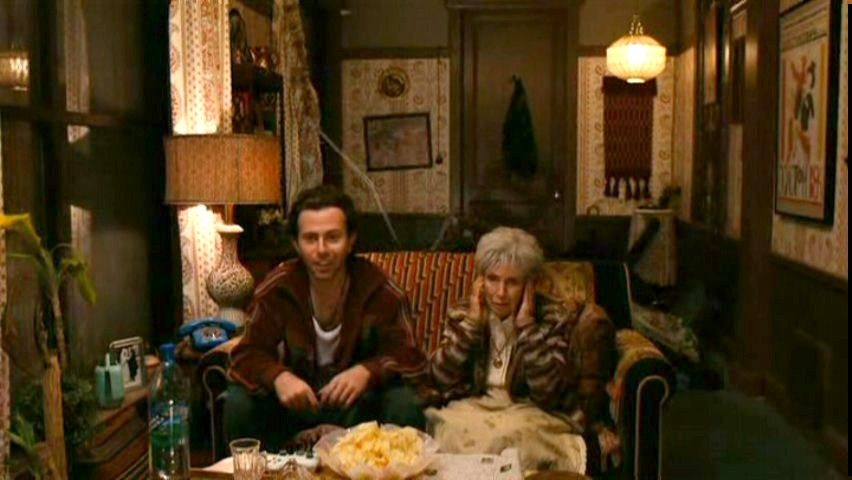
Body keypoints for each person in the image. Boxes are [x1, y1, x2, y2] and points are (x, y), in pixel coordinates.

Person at [224, 185, 427, 451]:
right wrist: (278, 377)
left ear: (350, 241)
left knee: (404, 404)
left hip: (358, 410)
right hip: (295, 407)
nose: (321, 249)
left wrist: (368, 371)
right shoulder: (278, 289)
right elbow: (245, 355)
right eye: (311, 239)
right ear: (296, 244)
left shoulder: (379, 289)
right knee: (238, 403)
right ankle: (255, 470)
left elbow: (410, 356)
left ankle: (385, 467)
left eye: (333, 237)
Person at [425, 227, 619, 475]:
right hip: (474, 406)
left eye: (512, 282)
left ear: (530, 285)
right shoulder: (464, 312)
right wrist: (471, 326)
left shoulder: (552, 317)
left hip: (531, 409)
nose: (500, 293)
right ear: (481, 281)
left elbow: (549, 394)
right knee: (454, 433)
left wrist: (527, 327)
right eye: (493, 279)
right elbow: (439, 379)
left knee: (509, 438)